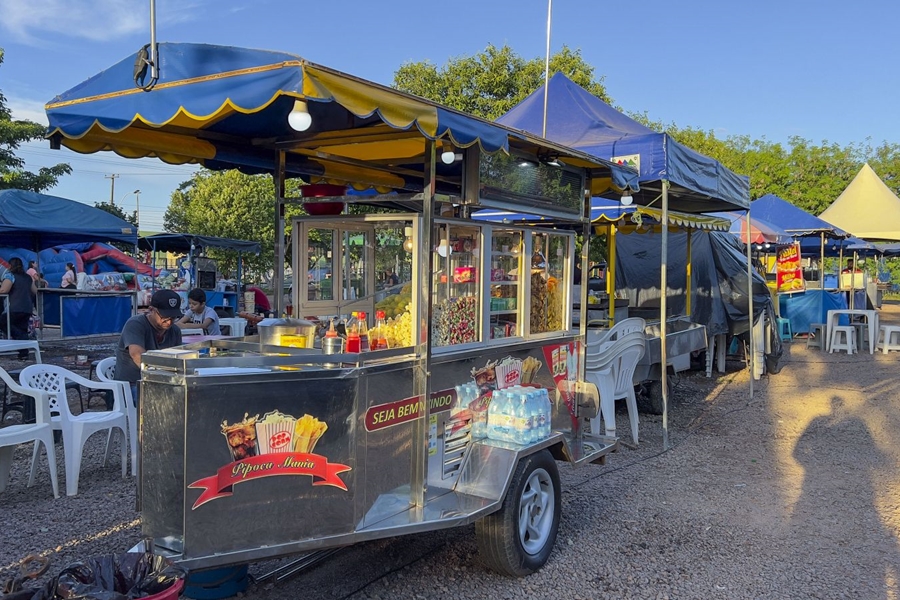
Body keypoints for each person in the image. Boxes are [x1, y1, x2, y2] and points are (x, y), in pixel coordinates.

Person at [114, 289, 183, 404]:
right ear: (151, 310)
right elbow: (138, 355)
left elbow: (178, 359)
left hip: (161, 384)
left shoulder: (174, 331)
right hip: (131, 385)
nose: (169, 322)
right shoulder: (135, 324)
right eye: (165, 317)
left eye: (173, 317)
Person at [0, 257, 38, 358]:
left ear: (10, 265)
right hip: (27, 307)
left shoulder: (10, 275)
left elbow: (4, 290)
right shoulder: (28, 277)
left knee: (3, 323)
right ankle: (23, 354)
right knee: (22, 327)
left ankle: (22, 337)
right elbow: (35, 291)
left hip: (14, 306)